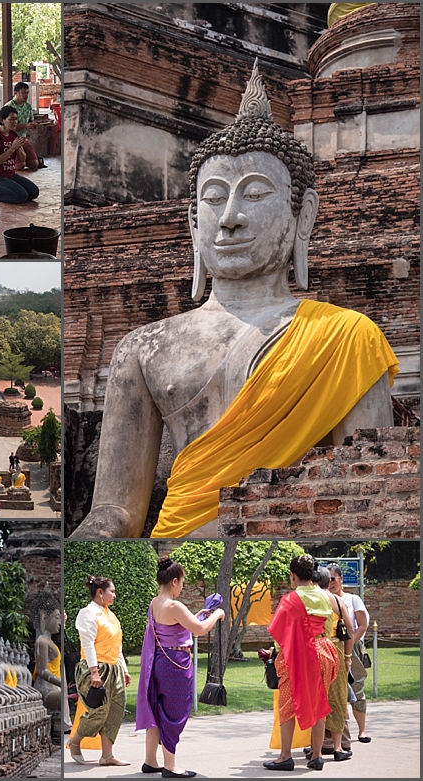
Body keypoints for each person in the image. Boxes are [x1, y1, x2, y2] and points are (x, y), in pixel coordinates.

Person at [70, 62, 398, 540]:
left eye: (255, 194)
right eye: (213, 197)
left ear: (303, 216)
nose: (229, 218)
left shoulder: (347, 338)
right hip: (172, 548)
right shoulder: (142, 349)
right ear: (192, 223)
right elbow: (115, 510)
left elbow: (367, 495)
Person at [137, 557, 225, 778]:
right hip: (175, 664)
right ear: (174, 581)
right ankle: (170, 766)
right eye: (182, 582)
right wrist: (216, 615)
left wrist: (198, 616)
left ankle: (150, 761)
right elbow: (200, 630)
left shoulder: (154, 603)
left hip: (159, 661)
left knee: (157, 710)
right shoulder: (174, 605)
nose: (183, 587)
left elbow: (175, 626)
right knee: (173, 714)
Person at [263, 555, 339, 772]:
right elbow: (328, 627)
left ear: (293, 576)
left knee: (287, 703)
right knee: (319, 702)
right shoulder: (325, 596)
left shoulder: (290, 600)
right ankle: (317, 756)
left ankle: (285, 756)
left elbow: (278, 633)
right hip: (323, 650)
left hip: (296, 654)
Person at [68, 576, 130, 767]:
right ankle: (75, 741)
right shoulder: (88, 613)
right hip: (95, 668)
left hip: (114, 668)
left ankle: (107, 756)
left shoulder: (110, 615)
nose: (115, 595)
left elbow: (117, 646)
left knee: (115, 711)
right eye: (112, 591)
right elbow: (87, 644)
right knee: (99, 711)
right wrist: (94, 672)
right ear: (100, 592)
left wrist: (124, 670)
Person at [306, 566, 353, 762]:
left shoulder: (311, 599)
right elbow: (349, 629)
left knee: (316, 699)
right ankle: (338, 747)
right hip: (337, 650)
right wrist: (348, 656)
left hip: (316, 648)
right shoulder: (338, 601)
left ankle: (315, 748)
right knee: (338, 697)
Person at [327, 562, 371, 744]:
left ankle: (362, 730)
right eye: (327, 579)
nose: (330, 583)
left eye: (333, 579)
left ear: (341, 579)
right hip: (332, 649)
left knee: (357, 688)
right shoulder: (324, 599)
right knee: (334, 692)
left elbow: (362, 625)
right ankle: (334, 737)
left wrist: (350, 644)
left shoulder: (353, 599)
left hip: (352, 649)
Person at [0, 106, 40, 204]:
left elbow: (22, 158)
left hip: (10, 174)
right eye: (11, 119)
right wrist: (12, 148)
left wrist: (18, 147)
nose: (15, 122)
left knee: (34, 192)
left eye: (16, 119)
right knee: (21, 196)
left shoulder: (13, 134)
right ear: (2, 120)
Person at [4, 82, 40, 171]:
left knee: (34, 164)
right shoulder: (9, 107)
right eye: (23, 93)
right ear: (16, 93)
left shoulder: (28, 106)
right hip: (11, 140)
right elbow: (7, 127)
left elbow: (31, 120)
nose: (26, 95)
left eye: (27, 93)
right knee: (20, 166)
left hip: (23, 139)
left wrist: (33, 124)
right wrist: (26, 126)